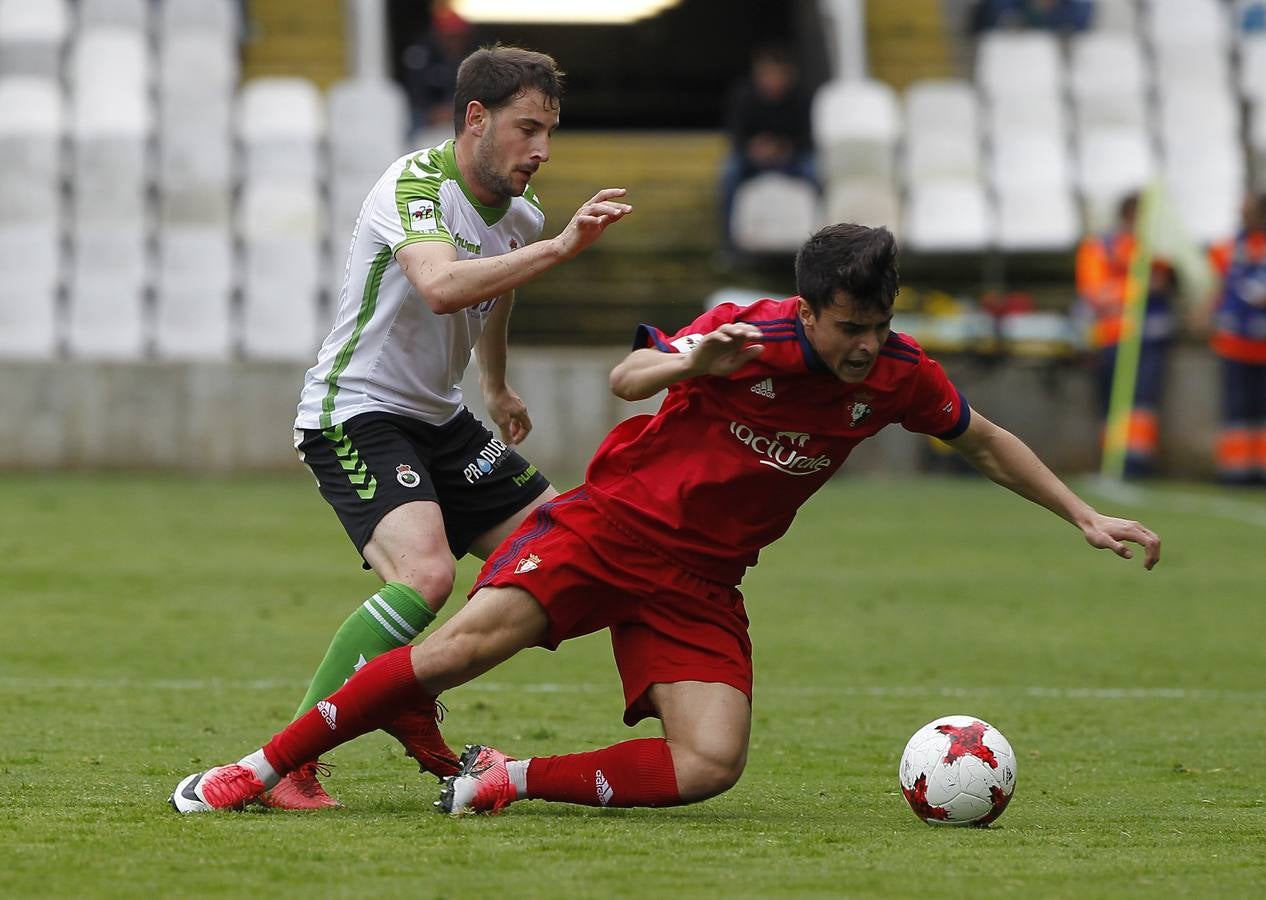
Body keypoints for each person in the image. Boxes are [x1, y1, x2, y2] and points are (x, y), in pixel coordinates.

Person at [171, 224, 1160, 817]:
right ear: (811, 309)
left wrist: (1079, 513)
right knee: (454, 652)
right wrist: (693, 363)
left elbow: (983, 439)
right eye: (849, 327)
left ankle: (504, 779)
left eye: (878, 325)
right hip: (609, 530)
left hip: (702, 580)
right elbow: (625, 376)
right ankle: (255, 770)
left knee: (710, 766)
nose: (865, 346)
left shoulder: (898, 374)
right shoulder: (749, 332)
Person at [263, 44, 633, 810]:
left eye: (549, 133)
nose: (542, 149)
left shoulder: (522, 215)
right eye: (527, 128)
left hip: (442, 419)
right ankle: (292, 764)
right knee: (427, 574)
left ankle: (400, 687)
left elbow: (493, 298)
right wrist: (562, 248)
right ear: (475, 118)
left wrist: (494, 384)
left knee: (575, 546)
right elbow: (440, 286)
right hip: (355, 411)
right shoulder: (415, 185)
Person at [1074, 192, 1178, 477]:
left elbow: (1162, 282)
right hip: (1111, 338)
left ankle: (1137, 463)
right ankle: (1113, 461)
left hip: (1147, 339)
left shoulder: (1154, 247)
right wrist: (1134, 289)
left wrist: (1128, 290)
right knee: (1112, 404)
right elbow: (1096, 295)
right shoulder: (1101, 247)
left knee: (1142, 404)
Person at [717, 43, 817, 264]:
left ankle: (821, 244)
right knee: (730, 173)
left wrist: (784, 147)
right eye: (767, 74)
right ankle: (730, 244)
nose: (773, 80)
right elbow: (735, 134)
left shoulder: (802, 98)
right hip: (753, 159)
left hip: (791, 158)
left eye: (778, 74)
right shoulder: (743, 95)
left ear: (788, 74)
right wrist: (754, 147)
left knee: (815, 171)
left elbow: (809, 136)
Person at [1205, 192, 1266, 484]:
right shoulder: (1228, 246)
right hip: (1234, 343)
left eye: (1248, 211)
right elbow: (1217, 285)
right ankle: (1236, 473)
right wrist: (1204, 311)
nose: (1241, 217)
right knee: (1236, 410)